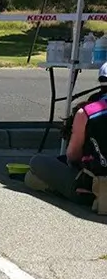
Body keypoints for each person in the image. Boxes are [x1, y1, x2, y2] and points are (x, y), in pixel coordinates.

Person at [27, 61, 107, 206]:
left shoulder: (87, 112)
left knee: (36, 165)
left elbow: (73, 156)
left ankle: (85, 194)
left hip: (96, 184)